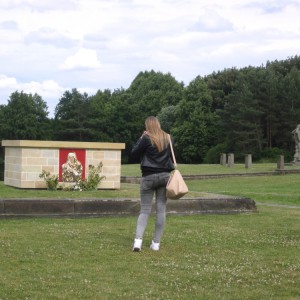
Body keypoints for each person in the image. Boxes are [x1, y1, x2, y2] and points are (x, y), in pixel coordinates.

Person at [130, 116, 174, 252]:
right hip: (165, 177)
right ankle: (156, 244)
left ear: (148, 126)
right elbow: (171, 158)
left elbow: (133, 154)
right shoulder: (168, 138)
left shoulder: (146, 138)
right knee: (161, 210)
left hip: (148, 176)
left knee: (145, 210)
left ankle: (138, 241)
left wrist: (140, 138)